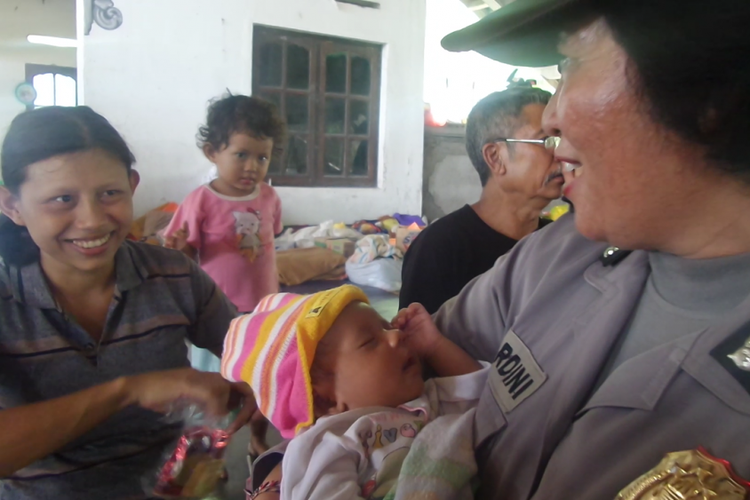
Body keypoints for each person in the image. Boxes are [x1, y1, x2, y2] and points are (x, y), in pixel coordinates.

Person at [425, 0, 750, 498]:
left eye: (569, 63)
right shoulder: (557, 253)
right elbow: (405, 361)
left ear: (711, 88)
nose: (552, 117)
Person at [0, 106, 255, 500]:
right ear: (13, 206)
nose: (92, 220)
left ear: (132, 185)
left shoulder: (174, 277)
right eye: (62, 199)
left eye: (109, 194)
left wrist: (255, 385)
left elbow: (256, 355)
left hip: (172, 488)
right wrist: (127, 390)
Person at [220, 285, 487, 500]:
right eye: (370, 341)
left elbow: (484, 396)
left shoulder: (427, 397)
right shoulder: (331, 439)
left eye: (388, 326)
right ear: (326, 398)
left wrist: (434, 347)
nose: (396, 336)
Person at [164, 94, 286, 455]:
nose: (252, 166)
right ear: (212, 152)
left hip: (264, 308)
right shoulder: (200, 200)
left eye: (262, 157)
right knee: (217, 388)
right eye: (242, 154)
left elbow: (271, 237)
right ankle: (208, 452)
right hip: (216, 316)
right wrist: (179, 248)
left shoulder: (269, 197)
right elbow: (185, 257)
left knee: (264, 379)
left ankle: (259, 439)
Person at [400, 87, 563, 314]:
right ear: (495, 157)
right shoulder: (440, 248)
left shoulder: (558, 241)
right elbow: (416, 345)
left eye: (562, 139)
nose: (562, 152)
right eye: (546, 141)